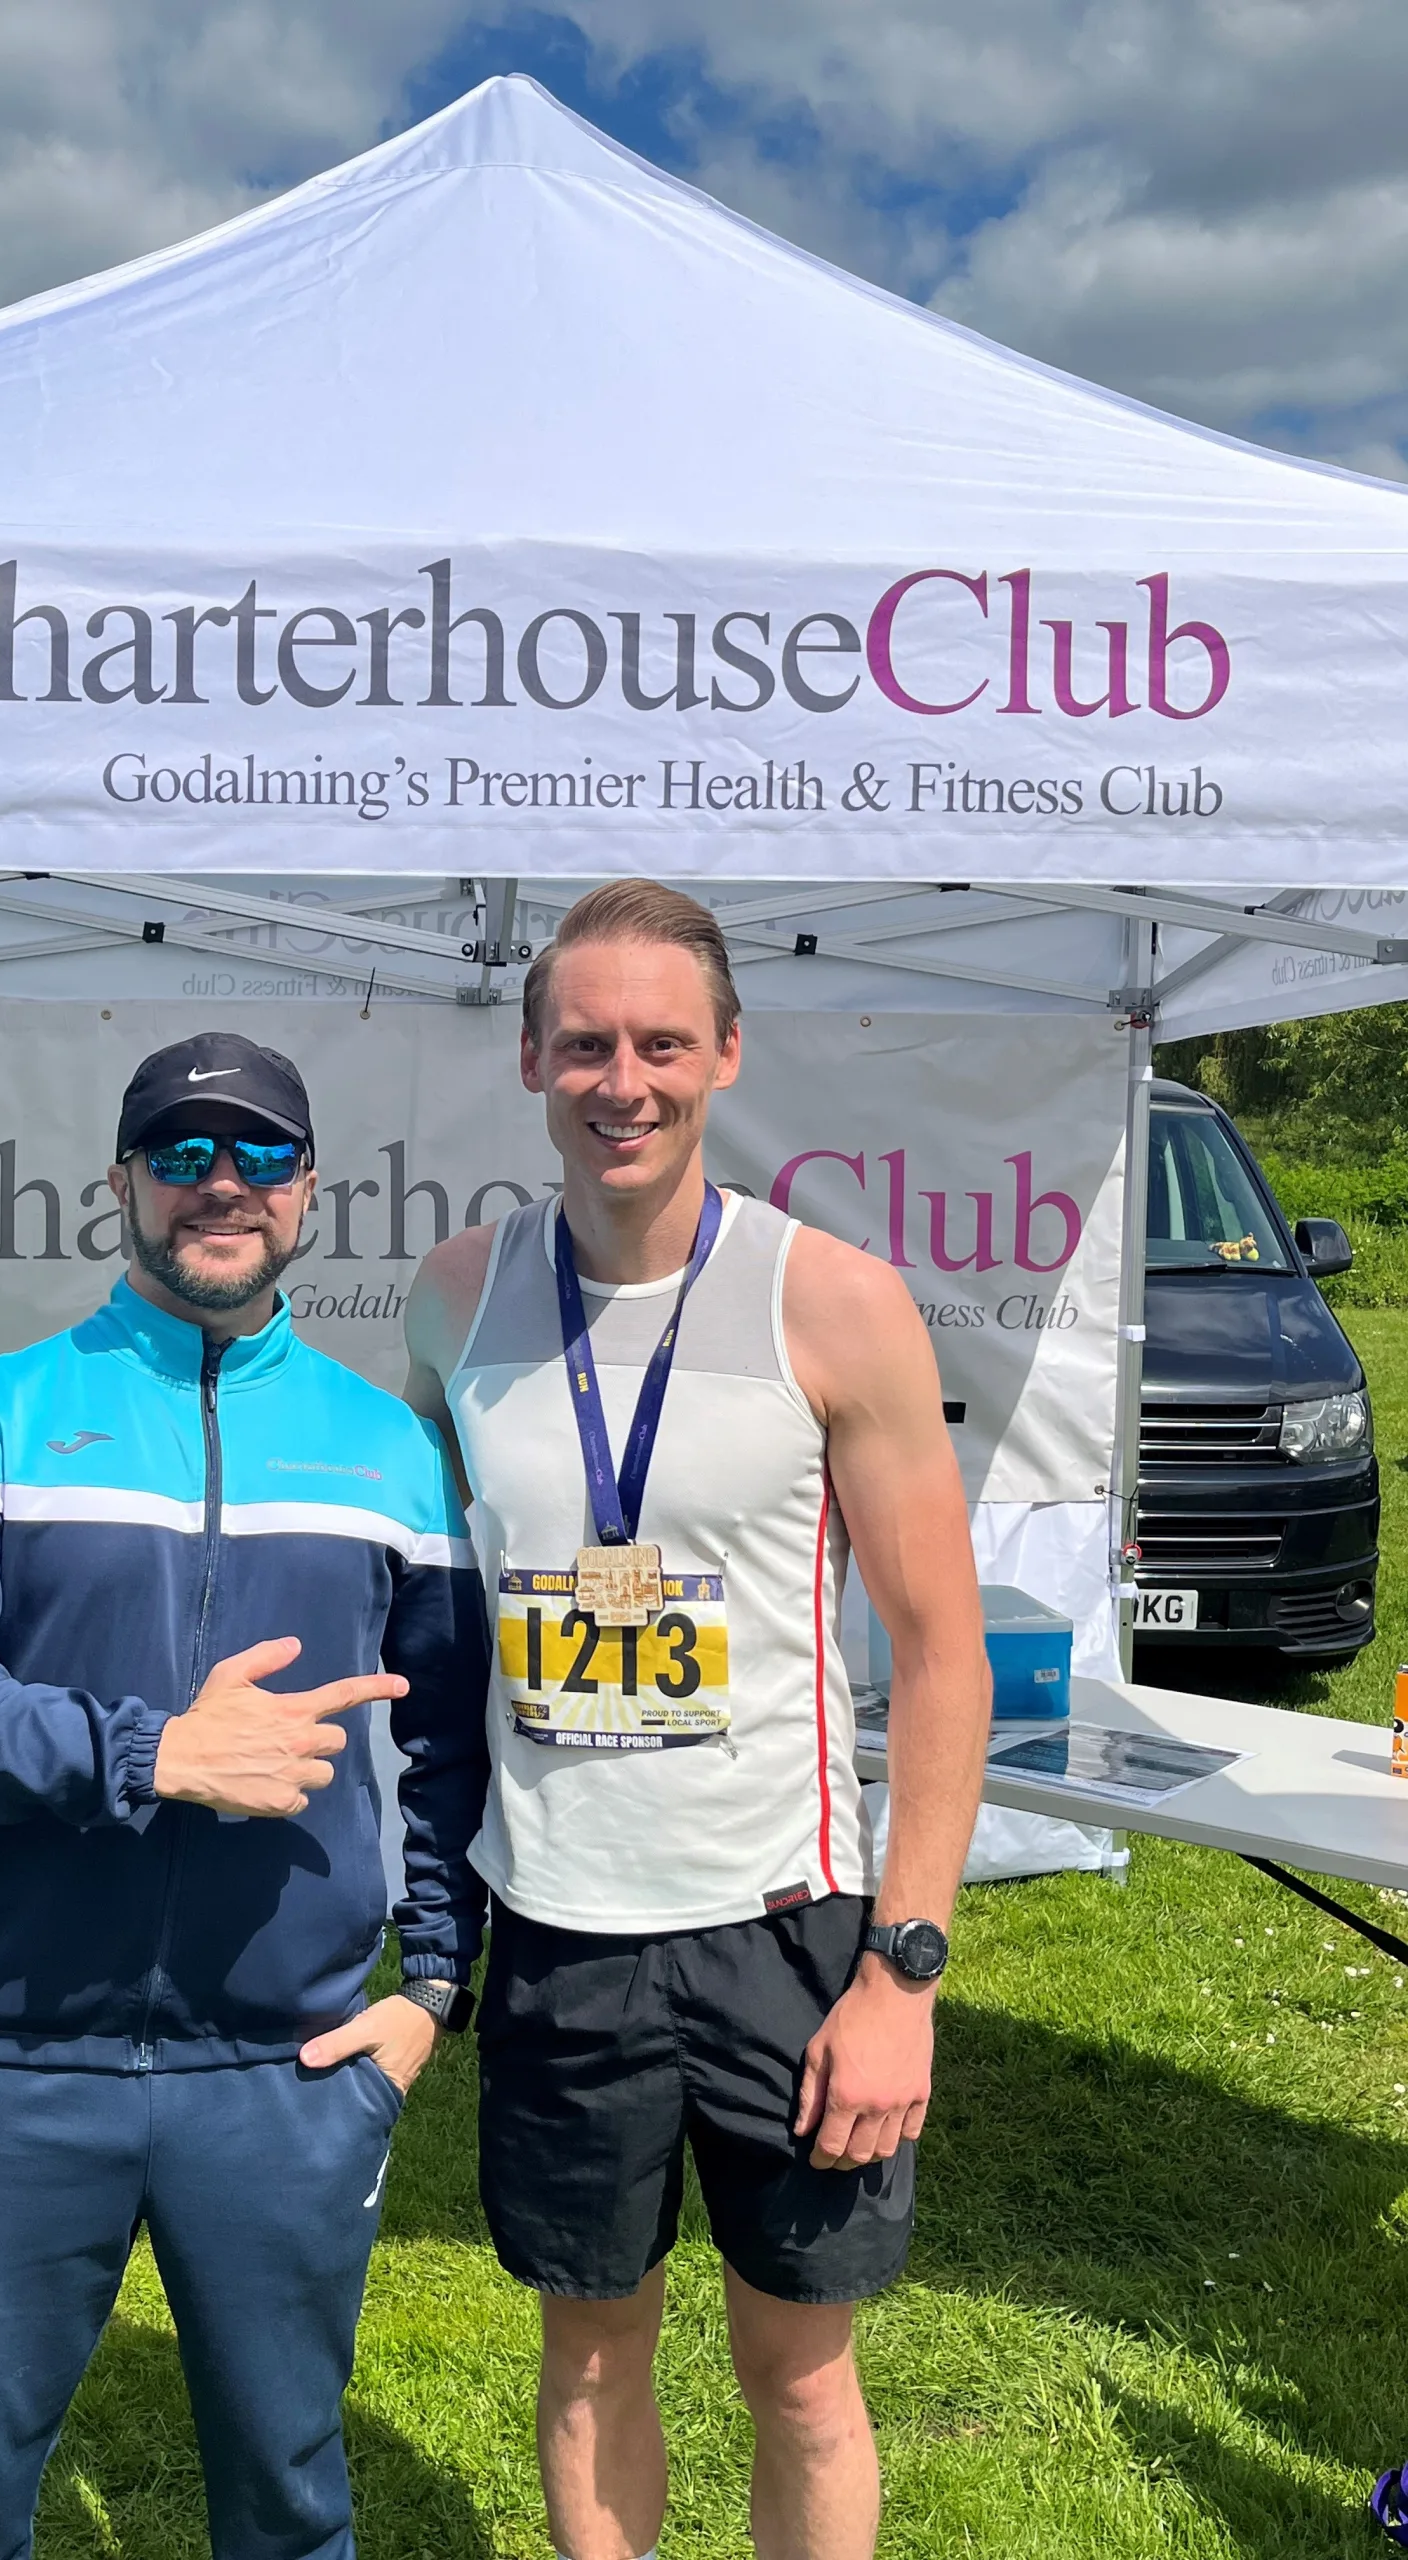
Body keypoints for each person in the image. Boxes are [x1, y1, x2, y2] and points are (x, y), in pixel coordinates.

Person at [0, 1031, 490, 2560]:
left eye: (261, 1155)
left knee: (290, 2498)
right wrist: (151, 1754)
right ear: (122, 1183)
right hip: (13, 2060)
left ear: (309, 1190)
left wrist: (436, 1989)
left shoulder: (388, 1448)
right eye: (184, 1152)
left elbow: (458, 1747)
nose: (223, 1183)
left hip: (287, 2073)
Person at [405, 881, 991, 2560]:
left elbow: (942, 1656)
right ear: (531, 1059)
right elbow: (412, 1599)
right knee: (591, 2354)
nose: (625, 1081)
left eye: (663, 1044)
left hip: (784, 1932)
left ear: (727, 1054)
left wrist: (906, 1974)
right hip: (561, 1931)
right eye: (587, 1043)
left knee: (798, 2376)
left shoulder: (836, 1302)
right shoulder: (458, 1297)